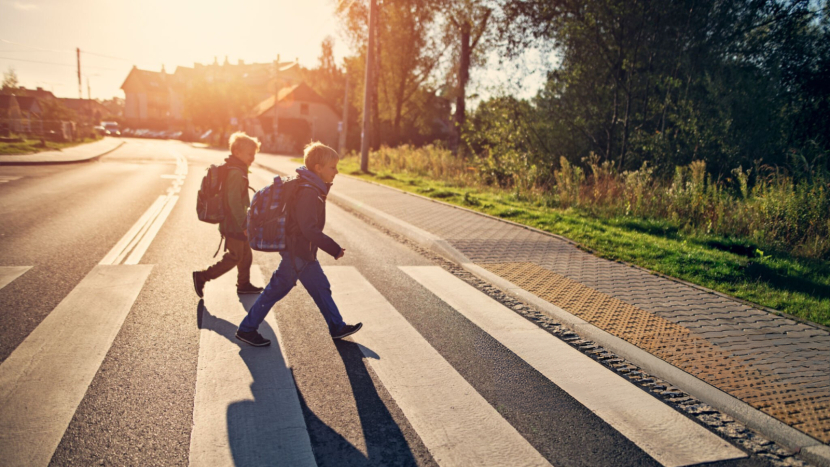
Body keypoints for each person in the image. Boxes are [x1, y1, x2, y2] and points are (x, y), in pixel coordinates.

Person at [235, 142, 362, 346]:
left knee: (321, 288)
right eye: (332, 167)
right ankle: (246, 329)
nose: (336, 172)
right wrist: (334, 249)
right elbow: (308, 228)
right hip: (297, 252)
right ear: (318, 168)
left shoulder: (311, 187)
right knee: (274, 292)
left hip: (302, 252)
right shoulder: (309, 192)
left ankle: (337, 326)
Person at [193, 132, 264, 297]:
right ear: (237, 153)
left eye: (254, 154)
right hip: (233, 223)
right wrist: (243, 224)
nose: (252, 158)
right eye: (250, 154)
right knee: (235, 256)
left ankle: (244, 284)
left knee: (245, 255)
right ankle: (203, 276)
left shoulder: (237, 169)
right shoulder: (236, 173)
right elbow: (233, 201)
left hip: (236, 221)